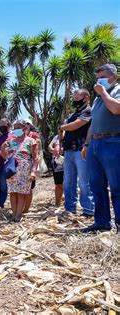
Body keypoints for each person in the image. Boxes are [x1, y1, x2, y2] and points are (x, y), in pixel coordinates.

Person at [81, 64, 120, 233]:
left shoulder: (115, 91)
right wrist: (87, 144)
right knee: (96, 185)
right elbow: (93, 123)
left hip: (113, 141)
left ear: (114, 77)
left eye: (102, 77)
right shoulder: (98, 99)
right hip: (95, 144)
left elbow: (116, 108)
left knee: (117, 185)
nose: (99, 81)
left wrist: (103, 93)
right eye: (97, 77)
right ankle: (102, 222)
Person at [59, 89, 94, 217]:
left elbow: (75, 125)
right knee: (68, 182)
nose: (74, 100)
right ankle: (70, 208)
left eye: (77, 97)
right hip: (68, 151)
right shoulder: (73, 114)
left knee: (84, 182)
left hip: (81, 150)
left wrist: (62, 127)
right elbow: (64, 130)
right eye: (73, 98)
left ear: (86, 98)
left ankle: (89, 210)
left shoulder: (88, 111)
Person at [1, 120, 39, 222]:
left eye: (18, 128)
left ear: (25, 128)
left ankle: (18, 215)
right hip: (12, 170)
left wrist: (33, 171)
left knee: (21, 193)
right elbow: (5, 157)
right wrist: (2, 148)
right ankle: (13, 215)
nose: (16, 130)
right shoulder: (11, 142)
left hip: (24, 169)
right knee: (13, 193)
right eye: (15, 128)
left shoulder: (31, 141)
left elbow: (35, 158)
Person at [23, 119, 42, 213]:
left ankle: (26, 208)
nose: (25, 126)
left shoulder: (34, 135)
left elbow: (36, 151)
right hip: (21, 163)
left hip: (30, 162)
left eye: (26, 124)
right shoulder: (20, 135)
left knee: (29, 186)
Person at [48, 135, 64, 207]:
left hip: (68, 161)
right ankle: (57, 203)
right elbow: (49, 147)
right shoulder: (57, 137)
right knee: (58, 184)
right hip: (57, 164)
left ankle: (69, 203)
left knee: (68, 184)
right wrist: (53, 150)